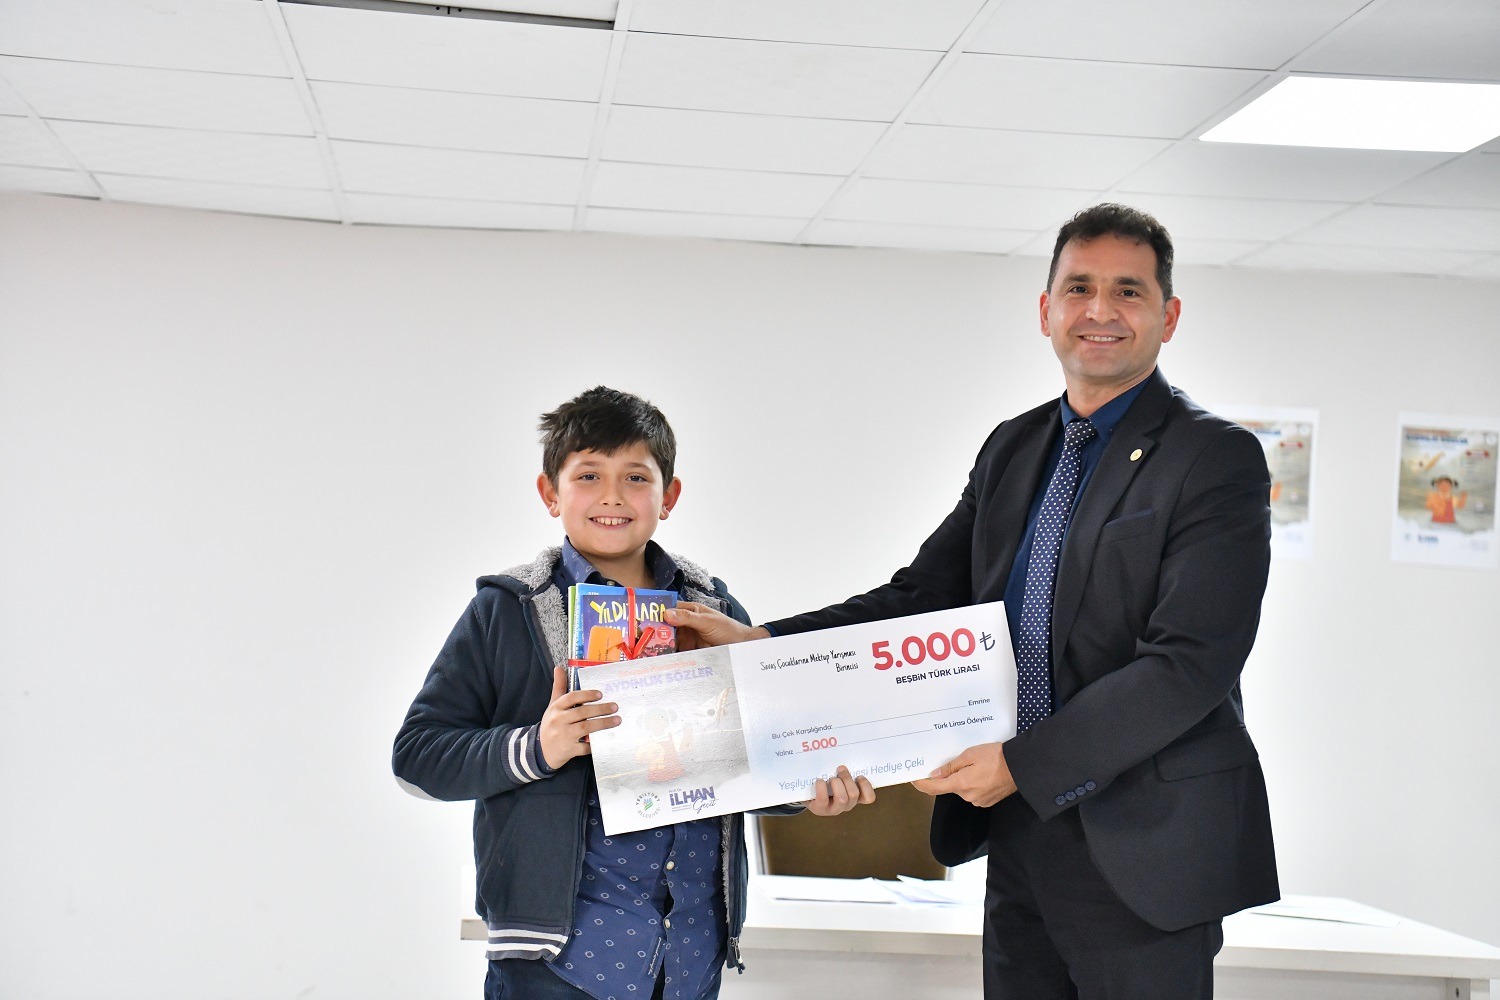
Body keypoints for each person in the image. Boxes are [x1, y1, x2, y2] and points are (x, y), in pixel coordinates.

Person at [670, 204, 1279, 998]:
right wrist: (765, 645)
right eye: (1079, 288)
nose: (1099, 310)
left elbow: (1189, 665)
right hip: (1020, 836)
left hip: (1146, 847)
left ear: (1169, 316)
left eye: (1128, 291)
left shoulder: (1215, 458)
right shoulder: (1014, 448)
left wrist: (1022, 766)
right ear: (1046, 310)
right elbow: (922, 597)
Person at [392, 386, 874, 1000]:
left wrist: (804, 790)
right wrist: (539, 746)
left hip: (690, 956)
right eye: (588, 475)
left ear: (669, 497)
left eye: (637, 477)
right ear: (549, 493)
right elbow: (417, 758)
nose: (613, 496)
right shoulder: (507, 610)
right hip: (555, 963)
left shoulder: (714, 609)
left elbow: (751, 754)